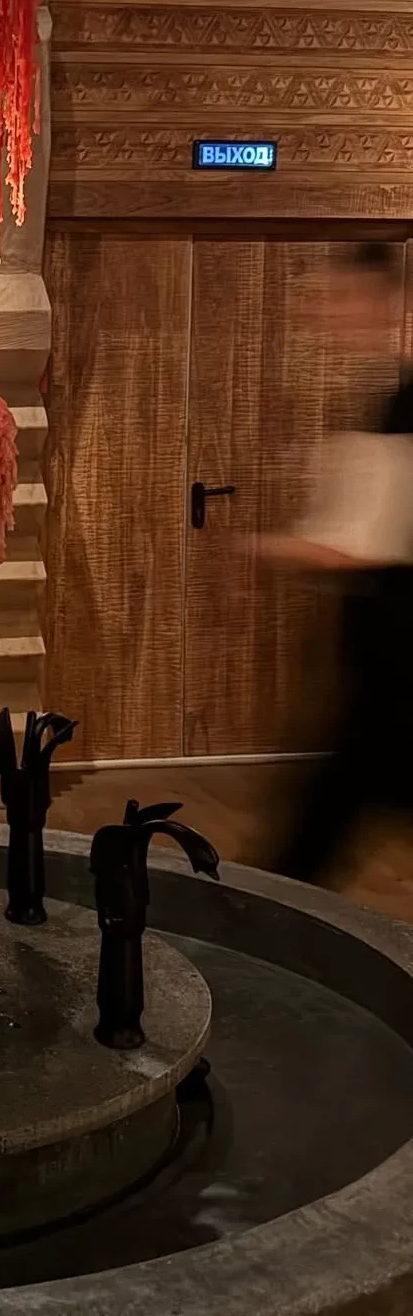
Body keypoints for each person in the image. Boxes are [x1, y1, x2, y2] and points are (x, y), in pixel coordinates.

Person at [259, 242, 413, 886]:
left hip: (397, 652)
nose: (329, 314)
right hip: (382, 652)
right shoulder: (389, 395)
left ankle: (268, 922)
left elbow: (358, 546)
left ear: (385, 300)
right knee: (334, 808)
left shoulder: (405, 403)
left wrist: (266, 546)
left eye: (342, 298)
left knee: (323, 821)